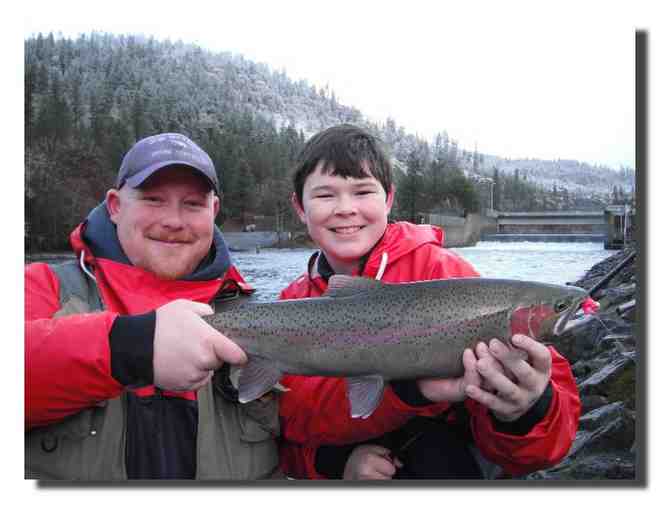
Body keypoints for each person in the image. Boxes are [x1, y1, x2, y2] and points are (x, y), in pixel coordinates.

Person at [26, 132, 408, 481]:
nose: (173, 220)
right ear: (114, 205)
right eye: (153, 199)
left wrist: (409, 395)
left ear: (215, 210)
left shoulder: (261, 314)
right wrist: (132, 347)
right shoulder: (43, 288)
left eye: (192, 204)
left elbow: (306, 420)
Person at [277, 124, 582, 480]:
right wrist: (336, 464)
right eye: (325, 195)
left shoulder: (444, 271)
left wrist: (527, 409)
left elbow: (547, 446)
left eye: (362, 192)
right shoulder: (291, 303)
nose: (346, 209)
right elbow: (288, 423)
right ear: (300, 207)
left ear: (388, 199)